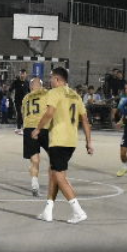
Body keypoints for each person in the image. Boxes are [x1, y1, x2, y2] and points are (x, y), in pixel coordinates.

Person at [35, 66, 93, 223]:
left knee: (59, 177)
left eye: (51, 78)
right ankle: (48, 210)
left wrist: (38, 129)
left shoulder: (54, 93)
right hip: (71, 140)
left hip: (59, 139)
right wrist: (89, 142)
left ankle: (78, 211)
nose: (50, 81)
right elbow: (85, 120)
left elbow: (49, 113)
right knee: (53, 172)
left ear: (57, 79)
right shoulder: (76, 95)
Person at [18, 75, 48, 196]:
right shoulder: (46, 93)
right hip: (43, 127)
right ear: (40, 85)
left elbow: (22, 113)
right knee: (55, 156)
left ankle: (35, 185)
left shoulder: (26, 98)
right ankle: (57, 182)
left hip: (29, 128)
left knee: (35, 160)